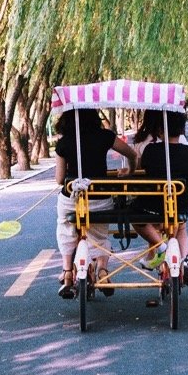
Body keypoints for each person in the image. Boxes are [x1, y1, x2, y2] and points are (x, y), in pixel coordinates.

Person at [53, 108, 145, 299]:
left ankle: (67, 272)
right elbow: (132, 154)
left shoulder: (63, 143)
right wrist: (130, 171)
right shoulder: (105, 137)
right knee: (99, 234)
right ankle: (103, 271)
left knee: (65, 228)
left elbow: (60, 179)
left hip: (72, 200)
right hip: (100, 199)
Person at [133, 108, 188, 286]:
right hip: (181, 203)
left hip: (153, 205)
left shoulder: (151, 150)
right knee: (182, 227)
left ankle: (162, 247)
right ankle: (183, 260)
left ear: (160, 130)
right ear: (182, 130)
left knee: (134, 215)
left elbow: (141, 169)